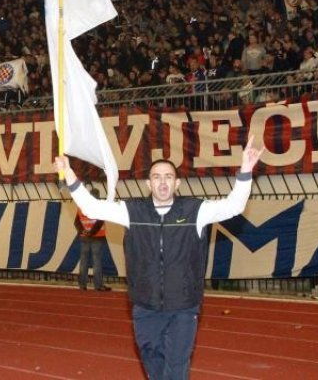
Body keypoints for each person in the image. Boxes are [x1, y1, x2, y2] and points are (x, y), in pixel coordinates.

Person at [54, 136, 263, 380]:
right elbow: (93, 208)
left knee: (177, 366)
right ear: (148, 184)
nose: (162, 182)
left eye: (168, 177)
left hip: (183, 305)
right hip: (145, 304)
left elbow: (233, 206)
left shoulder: (195, 211)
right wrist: (69, 174)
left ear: (177, 184)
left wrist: (246, 170)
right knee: (151, 357)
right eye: (156, 177)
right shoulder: (133, 212)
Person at [74, 189, 110, 291]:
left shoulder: (82, 206)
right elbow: (99, 222)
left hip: (84, 237)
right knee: (96, 261)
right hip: (97, 237)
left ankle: (82, 285)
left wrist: (84, 231)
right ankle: (98, 286)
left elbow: (76, 222)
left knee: (83, 261)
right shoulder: (99, 206)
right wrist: (91, 233)